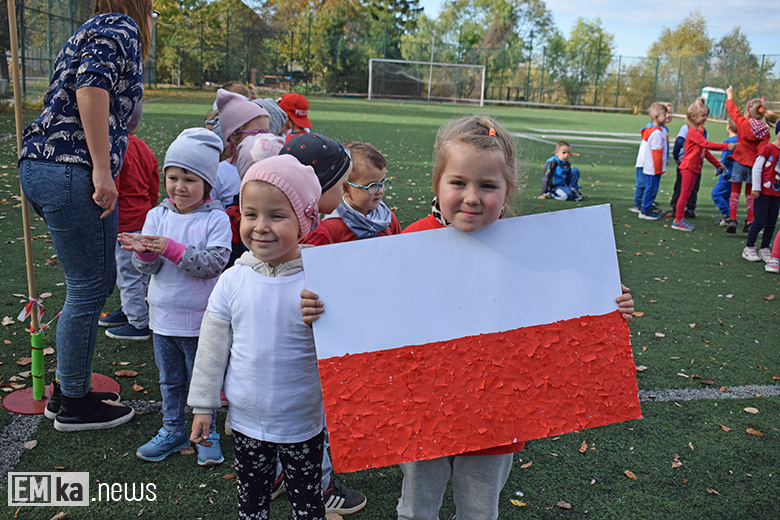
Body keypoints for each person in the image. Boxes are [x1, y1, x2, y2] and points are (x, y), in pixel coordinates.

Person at [301, 115, 635, 520]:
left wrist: (606, 307)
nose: (472, 197)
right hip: (422, 413)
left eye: (488, 186)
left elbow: (564, 304)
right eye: (458, 182)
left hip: (494, 420)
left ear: (508, 189)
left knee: (479, 511)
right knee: (417, 509)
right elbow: (373, 312)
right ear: (437, 185)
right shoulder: (409, 243)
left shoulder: (530, 252)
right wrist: (323, 308)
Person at [18, 0, 153, 432]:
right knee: (89, 287)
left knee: (90, 284)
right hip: (71, 167)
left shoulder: (90, 30)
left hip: (43, 164)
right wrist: (101, 168)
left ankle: (67, 389)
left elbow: (114, 107)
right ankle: (74, 402)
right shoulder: (120, 26)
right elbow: (90, 88)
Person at [188, 155, 326, 519]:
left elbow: (349, 341)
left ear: (305, 222)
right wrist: (203, 405)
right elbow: (211, 348)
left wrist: (327, 317)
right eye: (250, 214)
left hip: (302, 419)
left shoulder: (320, 280)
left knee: (308, 504)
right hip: (246, 420)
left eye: (276, 216)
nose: (261, 227)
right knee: (251, 502)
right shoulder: (233, 279)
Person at [119, 128, 231, 465]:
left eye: (189, 179)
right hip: (163, 318)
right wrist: (144, 252)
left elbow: (212, 264)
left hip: (201, 321)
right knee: (169, 381)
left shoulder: (216, 219)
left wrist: (169, 247)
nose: (179, 186)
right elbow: (148, 268)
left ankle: (207, 433)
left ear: (207, 183)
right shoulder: (157, 215)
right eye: (173, 178)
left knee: (203, 381)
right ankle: (173, 429)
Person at [99, 101, 159, 341]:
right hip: (143, 218)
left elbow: (111, 188)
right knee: (138, 272)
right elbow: (154, 182)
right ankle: (129, 310)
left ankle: (138, 322)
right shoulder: (143, 147)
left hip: (125, 223)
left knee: (128, 275)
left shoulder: (115, 148)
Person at [302, 141, 401, 245]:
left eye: (382, 182)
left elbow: (400, 247)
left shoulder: (387, 217)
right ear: (345, 189)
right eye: (372, 185)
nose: (380, 190)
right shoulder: (333, 227)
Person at [672, 99, 734, 232]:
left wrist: (717, 163)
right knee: (684, 194)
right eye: (703, 115)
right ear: (693, 117)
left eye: (706, 115)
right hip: (688, 167)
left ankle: (680, 218)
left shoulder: (699, 130)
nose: (705, 118)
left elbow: (704, 151)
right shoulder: (694, 132)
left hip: (694, 167)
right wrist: (727, 146)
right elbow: (707, 145)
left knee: (687, 194)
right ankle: (678, 220)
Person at [725, 85, 780, 234]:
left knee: (735, 191)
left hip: (739, 160)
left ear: (748, 111)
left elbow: (732, 110)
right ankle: (750, 221)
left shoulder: (742, 123)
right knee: (750, 193)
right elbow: (762, 150)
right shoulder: (764, 130)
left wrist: (730, 95)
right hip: (753, 163)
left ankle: (732, 218)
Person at [212, 88, 271, 208]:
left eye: (267, 131)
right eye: (258, 132)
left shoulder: (270, 168)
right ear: (234, 135)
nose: (264, 137)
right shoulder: (219, 174)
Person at [743, 122, 780, 264]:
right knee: (759, 220)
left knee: (771, 222)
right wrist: (756, 187)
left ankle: (764, 248)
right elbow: (757, 168)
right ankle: (749, 246)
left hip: (776, 194)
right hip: (763, 192)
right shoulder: (768, 149)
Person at [631, 102, 672, 214]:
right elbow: (655, 151)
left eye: (670, 113)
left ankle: (646, 203)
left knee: (650, 185)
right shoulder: (655, 131)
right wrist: (659, 165)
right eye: (666, 113)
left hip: (653, 163)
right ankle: (638, 204)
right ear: (656, 116)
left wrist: (665, 159)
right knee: (643, 184)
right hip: (648, 162)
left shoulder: (663, 129)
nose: (668, 116)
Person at [711, 119, 738, 226]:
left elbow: (725, 159)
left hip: (728, 174)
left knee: (716, 194)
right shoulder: (741, 140)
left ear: (729, 127)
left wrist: (718, 170)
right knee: (726, 196)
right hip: (738, 174)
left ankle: (728, 216)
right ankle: (729, 216)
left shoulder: (728, 141)